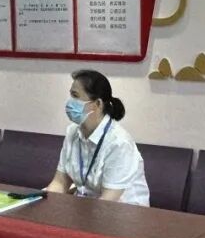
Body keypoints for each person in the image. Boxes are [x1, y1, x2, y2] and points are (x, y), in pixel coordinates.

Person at [46, 70, 150, 206]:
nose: (70, 102)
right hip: (86, 208)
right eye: (71, 95)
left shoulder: (119, 143)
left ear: (98, 104)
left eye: (75, 96)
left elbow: (108, 201)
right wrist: (44, 205)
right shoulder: (72, 132)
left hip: (122, 212)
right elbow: (60, 182)